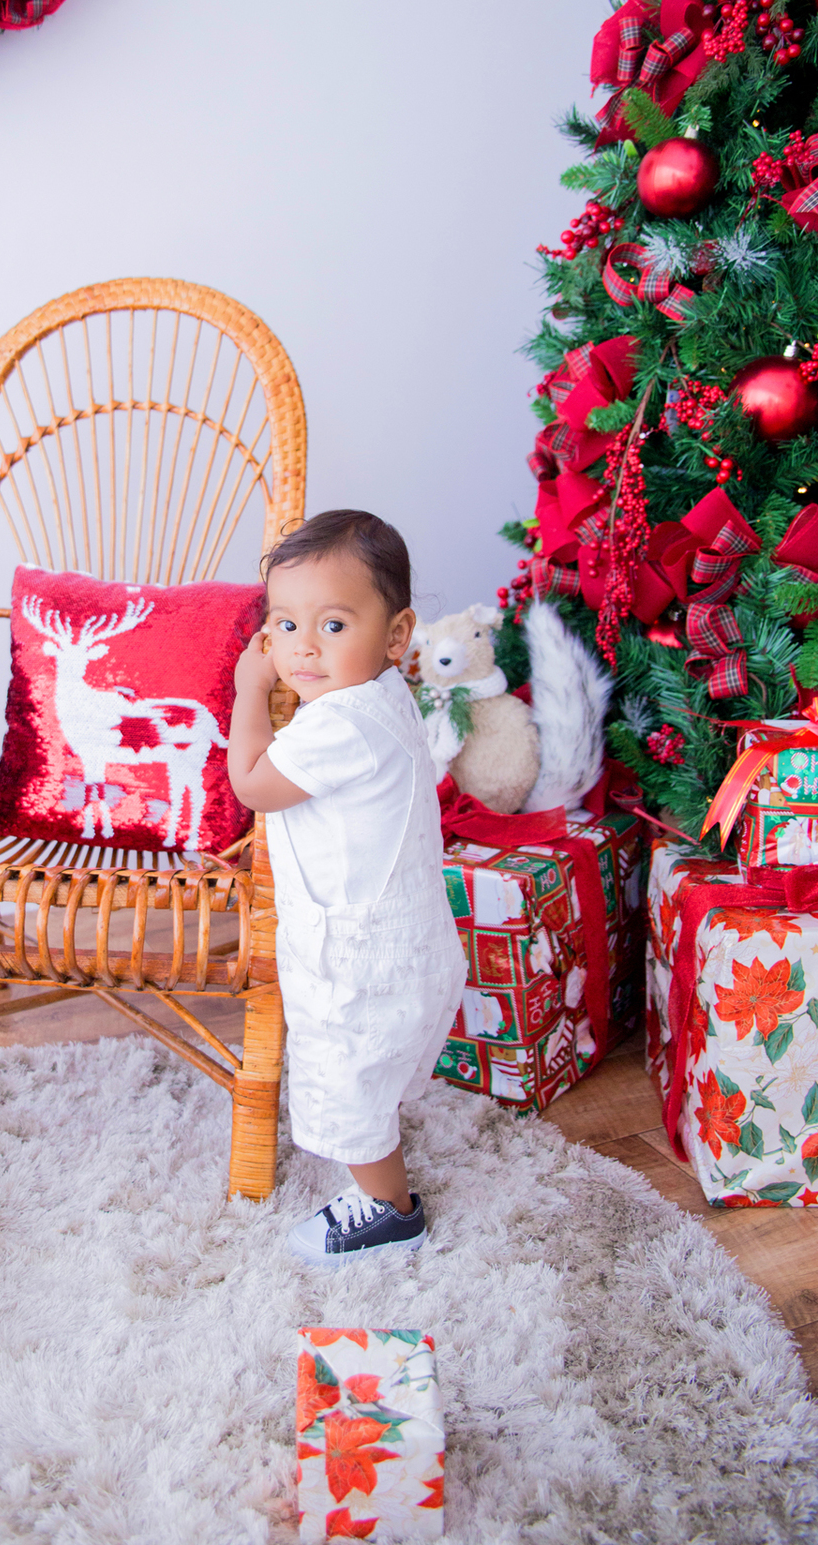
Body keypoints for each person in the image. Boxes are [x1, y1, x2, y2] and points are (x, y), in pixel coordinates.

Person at [227, 510, 465, 1266]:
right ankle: (380, 1182)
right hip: (398, 943)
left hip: (358, 964)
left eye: (332, 625)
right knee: (368, 1073)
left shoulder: (342, 727)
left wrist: (246, 689)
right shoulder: (382, 697)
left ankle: (389, 1209)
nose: (300, 647)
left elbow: (256, 785)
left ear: (397, 637)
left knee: (349, 1085)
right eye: (283, 624)